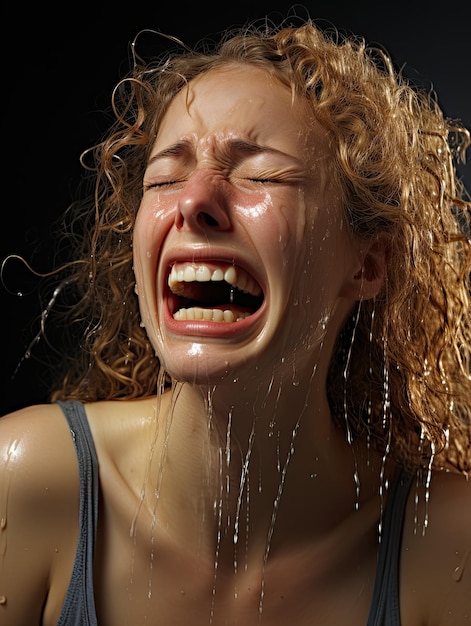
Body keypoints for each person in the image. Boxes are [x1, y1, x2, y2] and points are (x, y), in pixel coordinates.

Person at [1, 13, 470, 626]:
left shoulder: (447, 543)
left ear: (368, 264)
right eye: (164, 177)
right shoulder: (27, 480)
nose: (194, 201)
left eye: (261, 174)